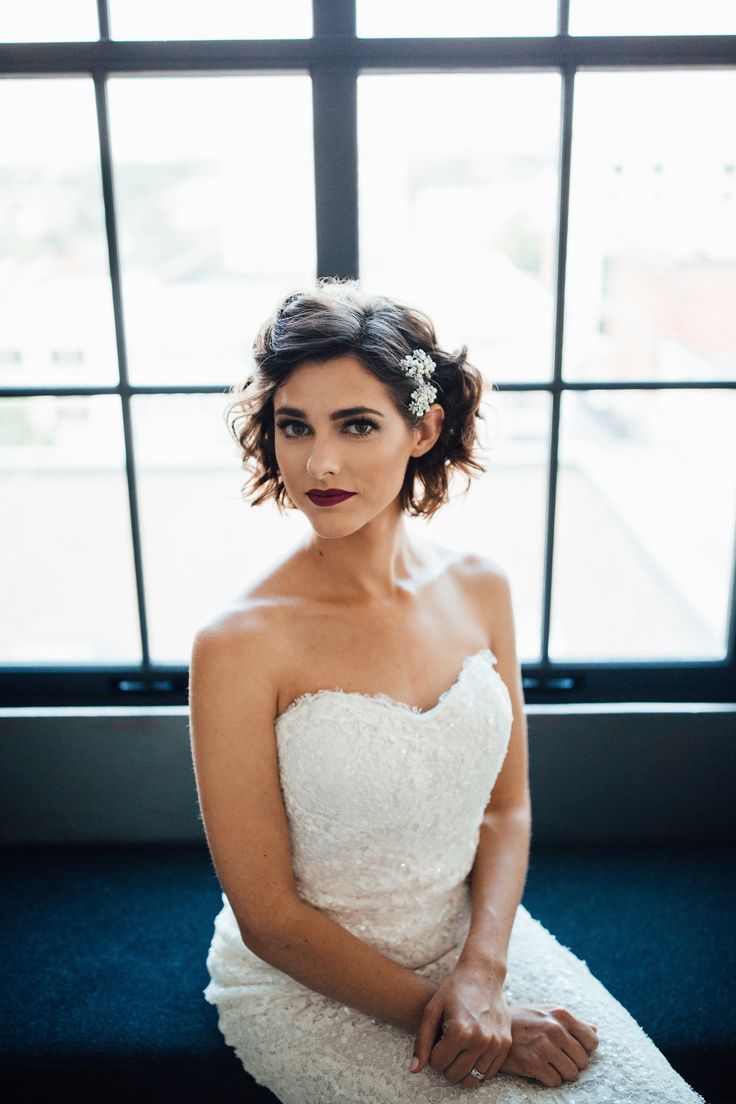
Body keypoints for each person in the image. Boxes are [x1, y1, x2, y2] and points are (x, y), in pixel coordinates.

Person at [188, 278, 704, 1102]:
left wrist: (483, 974)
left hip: (476, 944)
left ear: (422, 428)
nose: (319, 463)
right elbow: (271, 920)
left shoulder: (482, 588)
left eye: (356, 425)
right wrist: (454, 1016)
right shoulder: (238, 644)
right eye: (295, 427)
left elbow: (506, 808)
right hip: (311, 981)